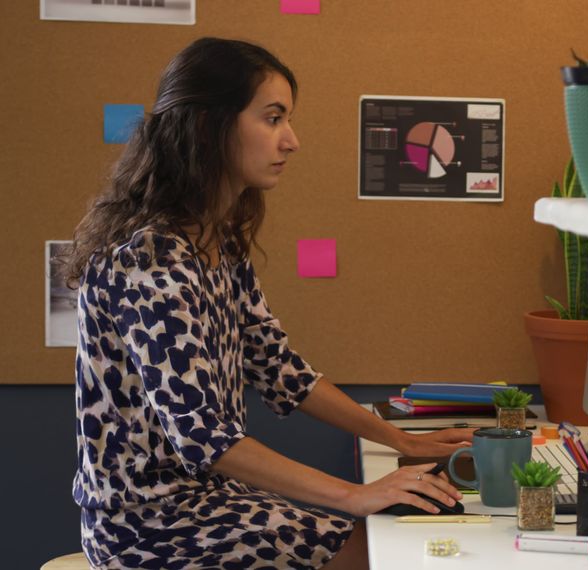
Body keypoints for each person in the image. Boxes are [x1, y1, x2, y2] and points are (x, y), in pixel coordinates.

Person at [63, 37, 473, 569]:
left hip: (205, 501)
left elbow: (281, 370)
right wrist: (355, 495)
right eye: (273, 118)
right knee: (372, 551)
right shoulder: (151, 260)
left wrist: (401, 440)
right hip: (144, 526)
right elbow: (204, 438)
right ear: (210, 126)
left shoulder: (219, 244)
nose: (292, 140)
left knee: (383, 542)